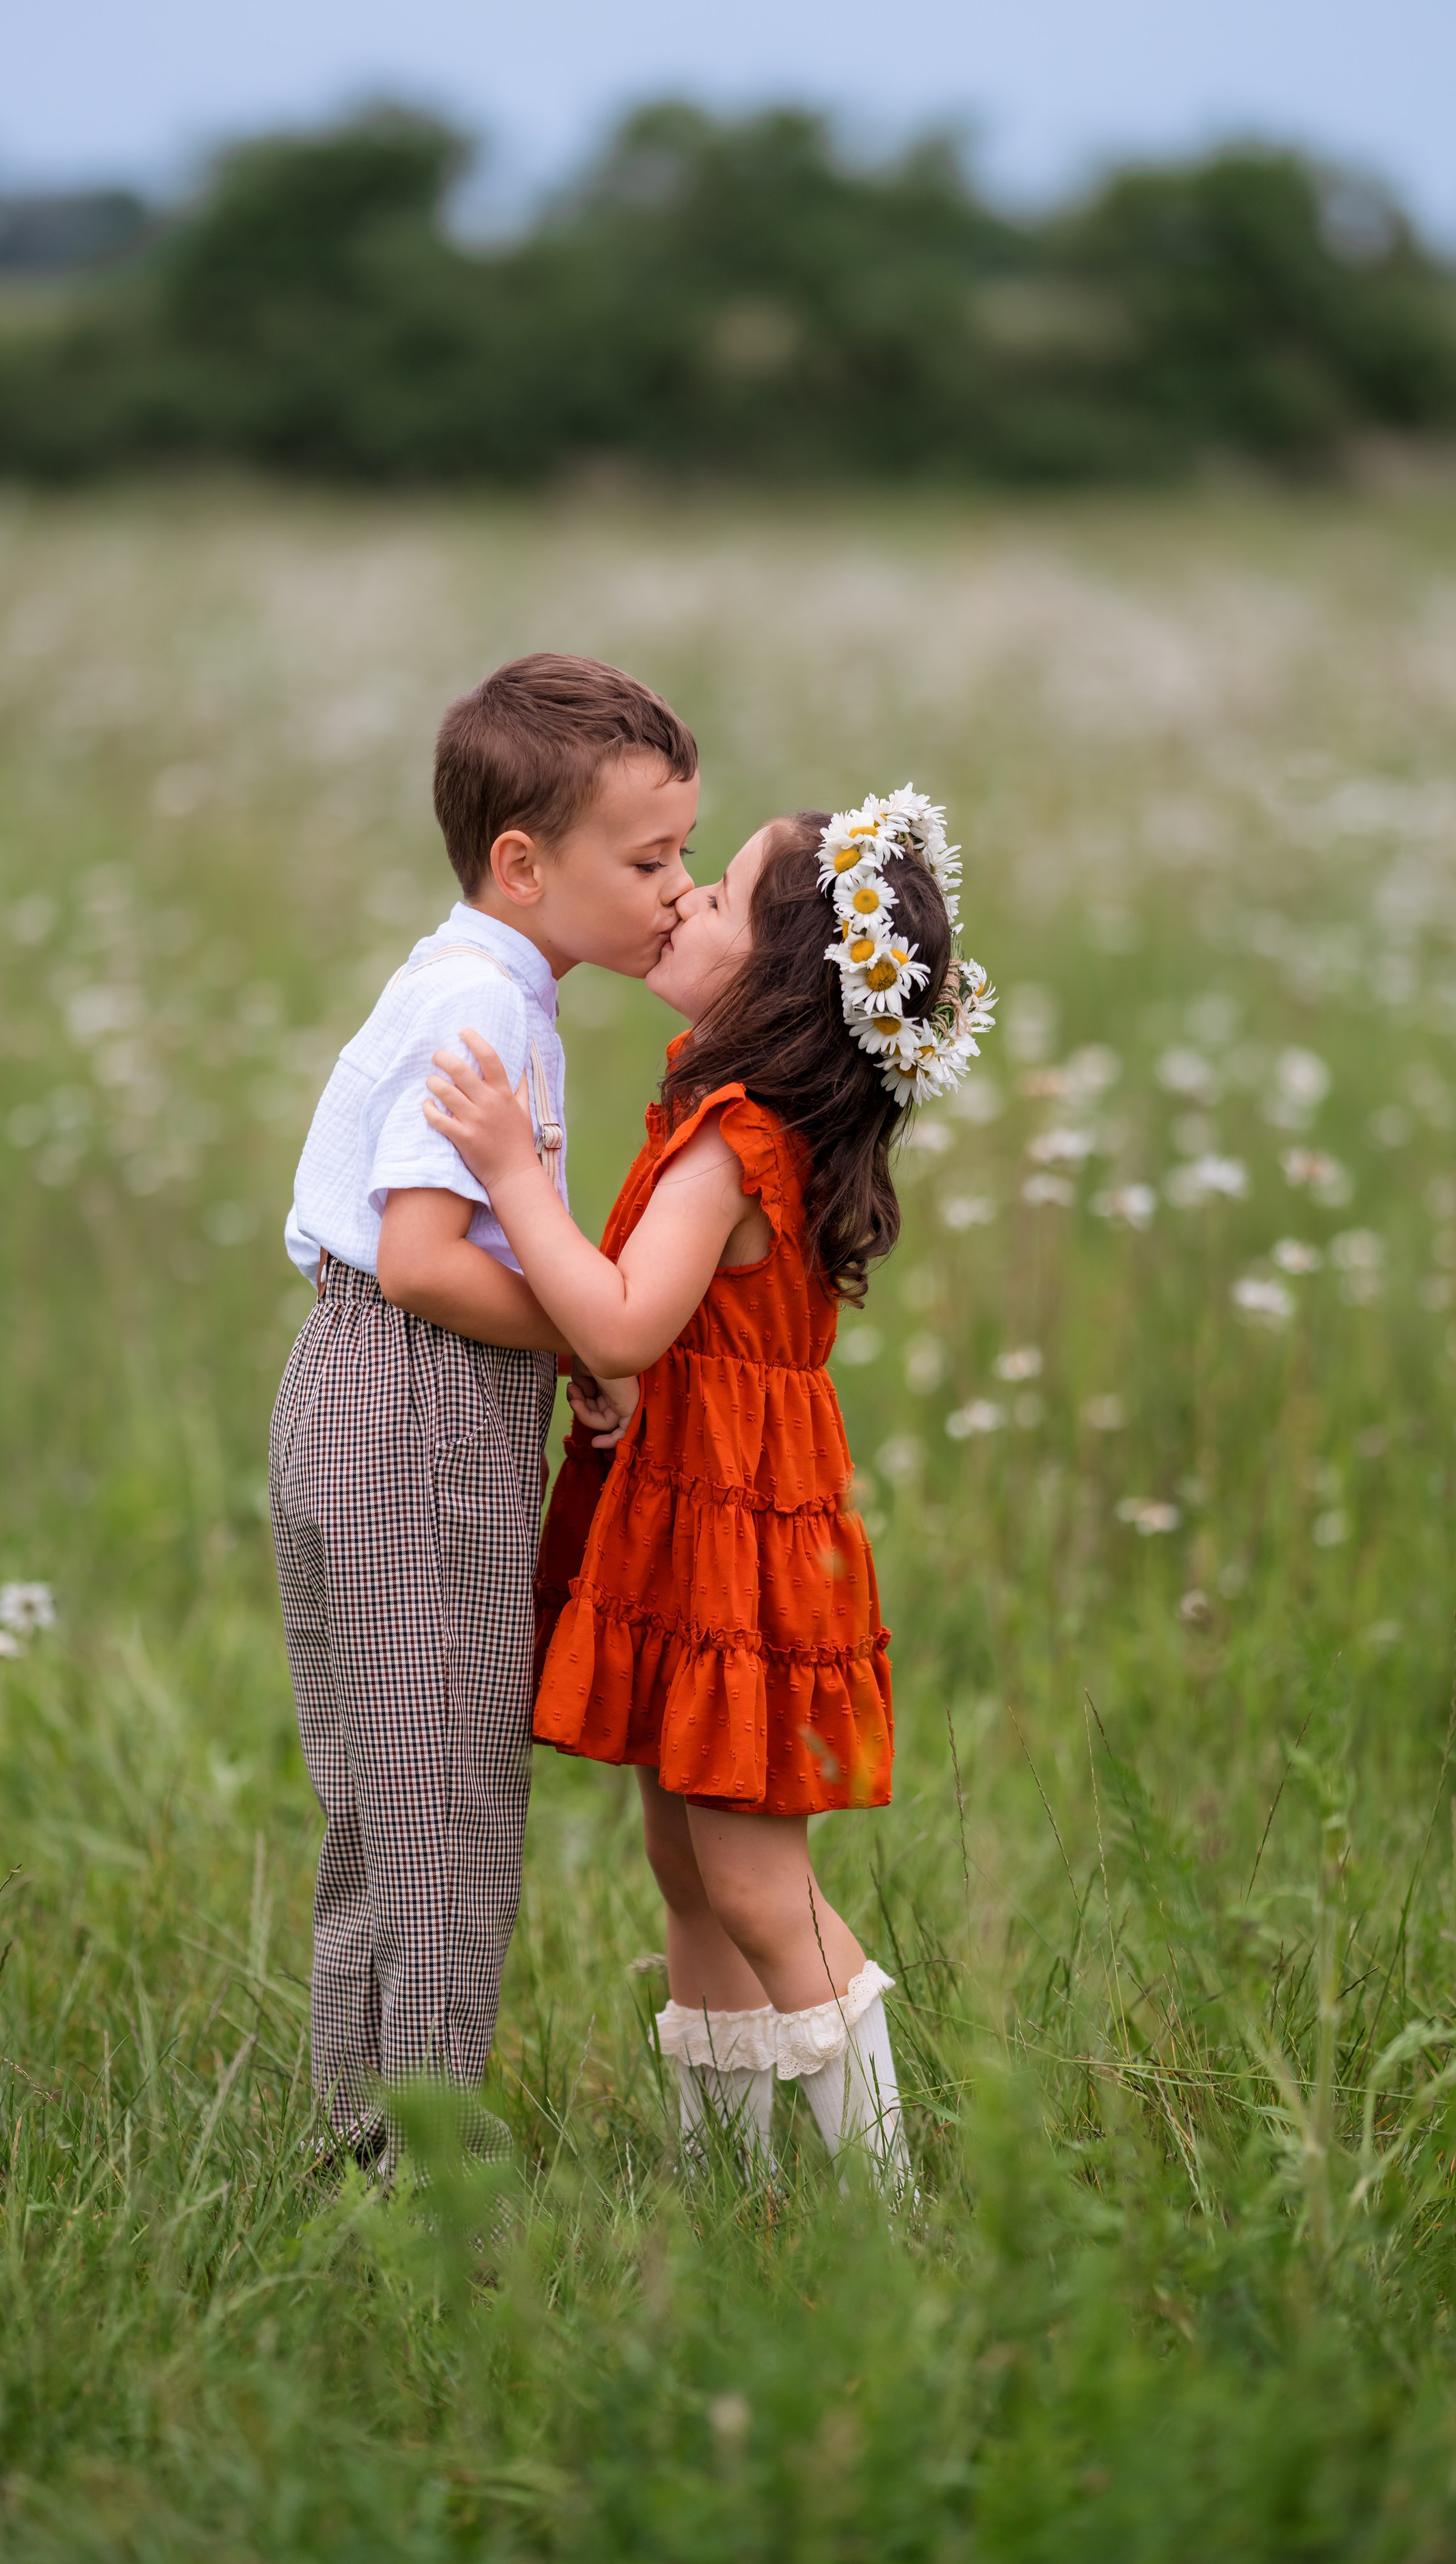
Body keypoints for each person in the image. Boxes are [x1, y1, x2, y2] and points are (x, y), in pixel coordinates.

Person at [424, 786, 993, 2185]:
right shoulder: (740, 1122)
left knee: (750, 1882)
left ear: (782, 984)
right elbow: (680, 1337)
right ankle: (726, 2178)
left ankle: (888, 2198)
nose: (683, 896)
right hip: (703, 1520)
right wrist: (630, 1388)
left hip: (736, 1541)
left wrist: (509, 1171)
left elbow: (622, 1318)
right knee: (686, 1868)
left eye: (721, 894)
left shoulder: (735, 1137)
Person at [270, 653, 699, 2162]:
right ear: (523, 866)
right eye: (647, 860)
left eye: (684, 854)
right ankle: (423, 2174)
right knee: (445, 1800)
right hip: (415, 1399)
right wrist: (589, 1341)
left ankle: (362, 2139)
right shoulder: (487, 1008)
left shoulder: (468, 976)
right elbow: (422, 1260)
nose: (678, 890)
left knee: (387, 1802)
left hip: (358, 1386)